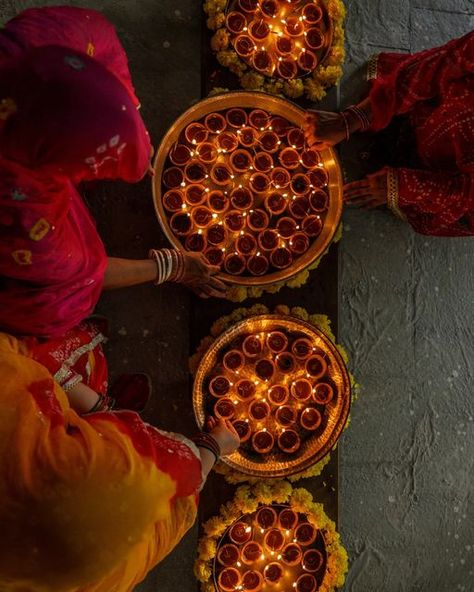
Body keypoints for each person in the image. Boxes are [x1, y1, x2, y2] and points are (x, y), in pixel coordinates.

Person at [0, 7, 225, 339]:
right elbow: (84, 273)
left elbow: (99, 36)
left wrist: (128, 114)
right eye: (100, 164)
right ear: (64, 166)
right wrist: (173, 266)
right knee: (54, 302)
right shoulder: (25, 217)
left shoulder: (35, 43)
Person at [0, 329, 240, 592]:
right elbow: (178, 507)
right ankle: (111, 408)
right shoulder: (107, 578)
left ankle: (108, 409)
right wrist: (212, 447)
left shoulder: (11, 404)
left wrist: (212, 448)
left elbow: (25, 354)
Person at [304, 31, 474, 236]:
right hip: (435, 110)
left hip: (456, 185)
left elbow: (465, 193)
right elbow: (442, 63)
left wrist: (402, 187)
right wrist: (354, 118)